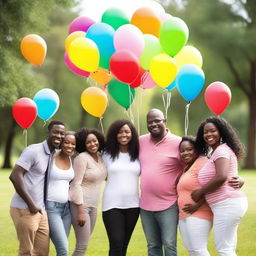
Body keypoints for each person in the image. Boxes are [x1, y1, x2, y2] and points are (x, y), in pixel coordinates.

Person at [192, 116, 248, 256]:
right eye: (205, 132)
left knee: (224, 249)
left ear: (221, 132)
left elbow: (221, 177)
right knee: (228, 248)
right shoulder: (218, 151)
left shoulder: (222, 150)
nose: (209, 134)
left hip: (227, 203)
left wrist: (201, 192)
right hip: (226, 204)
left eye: (213, 131)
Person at [9, 120, 65, 256]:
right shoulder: (34, 151)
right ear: (48, 133)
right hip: (24, 208)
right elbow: (15, 176)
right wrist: (31, 205)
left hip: (41, 211)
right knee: (26, 252)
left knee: (42, 252)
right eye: (56, 132)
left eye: (62, 133)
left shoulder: (54, 154)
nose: (59, 136)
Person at [139, 109, 184, 256]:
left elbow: (193, 166)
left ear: (165, 121)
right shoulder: (141, 141)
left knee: (169, 244)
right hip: (145, 205)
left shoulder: (178, 142)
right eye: (150, 122)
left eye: (157, 120)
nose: (153, 124)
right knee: (153, 246)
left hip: (169, 204)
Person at [102, 119, 140, 256]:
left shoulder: (138, 154)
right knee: (116, 244)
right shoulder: (105, 154)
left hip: (133, 206)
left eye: (127, 132)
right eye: (120, 132)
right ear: (114, 134)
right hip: (112, 205)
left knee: (123, 246)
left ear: (132, 134)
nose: (123, 135)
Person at [69, 128, 106, 256]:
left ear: (99, 141)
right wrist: (80, 210)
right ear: (83, 145)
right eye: (88, 142)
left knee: (83, 243)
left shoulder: (100, 157)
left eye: (94, 141)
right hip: (81, 206)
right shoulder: (82, 158)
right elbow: (75, 184)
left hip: (94, 207)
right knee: (82, 246)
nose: (92, 144)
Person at [177, 136, 213, 256]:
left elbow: (212, 186)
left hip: (199, 213)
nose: (185, 153)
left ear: (196, 149)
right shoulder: (187, 168)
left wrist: (197, 205)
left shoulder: (203, 162)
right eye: (182, 150)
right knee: (192, 251)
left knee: (199, 250)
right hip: (184, 215)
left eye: (189, 149)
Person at [46, 131, 76, 256]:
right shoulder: (51, 157)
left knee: (61, 247)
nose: (70, 146)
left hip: (66, 209)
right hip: (51, 208)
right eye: (67, 142)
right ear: (61, 143)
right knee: (63, 249)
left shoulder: (72, 159)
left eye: (73, 144)